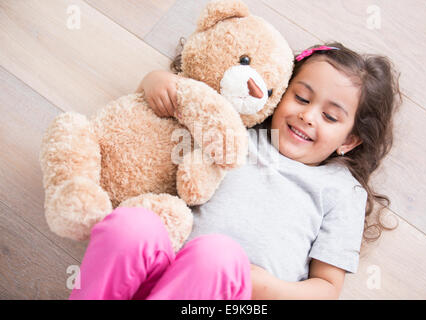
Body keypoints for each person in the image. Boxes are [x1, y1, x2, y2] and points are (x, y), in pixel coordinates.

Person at [69, 42, 402, 300]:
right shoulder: (239, 129)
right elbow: (188, 99)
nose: (309, 116)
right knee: (133, 224)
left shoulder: (343, 191)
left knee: (217, 256)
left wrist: (263, 285)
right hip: (162, 276)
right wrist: (156, 81)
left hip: (238, 297)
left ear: (350, 140)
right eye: (301, 98)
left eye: (330, 117)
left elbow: (327, 288)